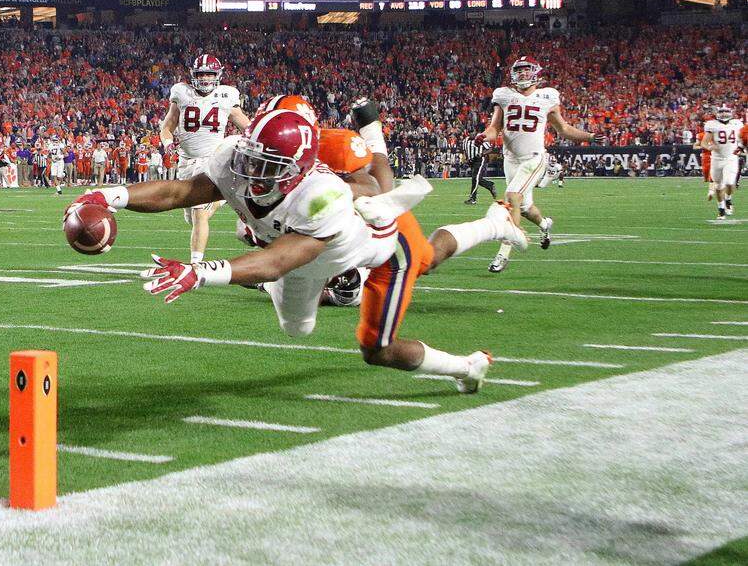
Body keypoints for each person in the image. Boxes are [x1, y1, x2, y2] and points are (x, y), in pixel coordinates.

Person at [69, 109, 521, 393]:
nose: (250, 170)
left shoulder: (321, 193)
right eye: (250, 156)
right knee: (298, 329)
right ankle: (348, 286)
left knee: (381, 339)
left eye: (267, 165)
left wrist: (200, 273)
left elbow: (280, 259)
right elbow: (180, 191)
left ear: (299, 170)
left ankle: (466, 365)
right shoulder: (234, 155)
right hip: (308, 257)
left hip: (379, 248)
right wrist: (109, 196)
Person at [479, 56, 604, 273]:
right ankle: (545, 225)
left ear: (536, 73)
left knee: (512, 197)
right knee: (525, 207)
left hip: (534, 158)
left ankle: (504, 253)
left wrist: (590, 136)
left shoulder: (546, 96)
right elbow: (494, 128)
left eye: (527, 70)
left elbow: (564, 129)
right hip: (510, 159)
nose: (523, 74)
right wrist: (484, 136)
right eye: (520, 70)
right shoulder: (505, 95)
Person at [158, 54, 251, 263]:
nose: (206, 78)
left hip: (212, 161)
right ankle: (222, 199)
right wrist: (167, 143)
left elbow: (247, 126)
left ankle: (195, 266)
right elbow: (167, 127)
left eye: (210, 74)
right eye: (202, 74)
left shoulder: (227, 96)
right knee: (191, 216)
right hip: (186, 162)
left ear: (217, 75)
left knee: (199, 211)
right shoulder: (181, 93)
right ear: (194, 75)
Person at [700, 104, 744, 220]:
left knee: (729, 182)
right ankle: (721, 210)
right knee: (719, 186)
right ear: (718, 113)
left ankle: (728, 199)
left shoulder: (737, 124)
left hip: (731, 158)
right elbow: (704, 142)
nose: (724, 114)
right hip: (716, 159)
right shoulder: (712, 125)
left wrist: (741, 146)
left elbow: (742, 138)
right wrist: (709, 147)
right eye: (722, 112)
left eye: (726, 112)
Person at [461, 132, 497, 204]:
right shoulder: (465, 141)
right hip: (471, 161)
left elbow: (490, 149)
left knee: (475, 178)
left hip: (480, 160)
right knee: (477, 179)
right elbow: (464, 151)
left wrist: (482, 154)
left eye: (473, 132)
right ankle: (490, 185)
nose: (472, 134)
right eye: (470, 133)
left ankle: (473, 199)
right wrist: (466, 159)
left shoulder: (480, 139)